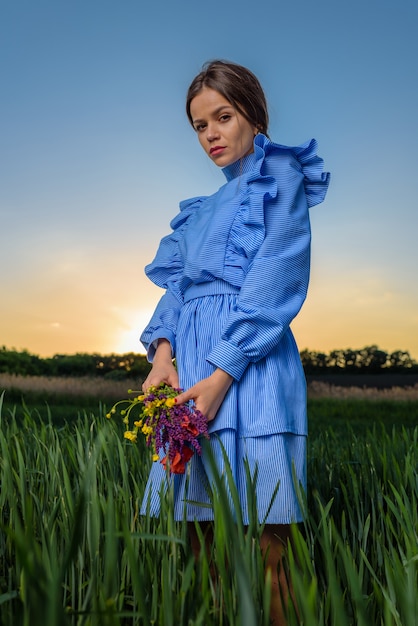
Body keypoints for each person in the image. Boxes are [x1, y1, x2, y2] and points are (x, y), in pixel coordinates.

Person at [140, 60, 330, 624]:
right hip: (191, 375)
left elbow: (279, 280)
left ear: (252, 112)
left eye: (223, 117)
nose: (211, 134)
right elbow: (176, 292)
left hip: (249, 369)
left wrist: (221, 373)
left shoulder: (281, 176)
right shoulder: (196, 214)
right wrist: (163, 359)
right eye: (200, 126)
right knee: (197, 539)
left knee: (267, 541)